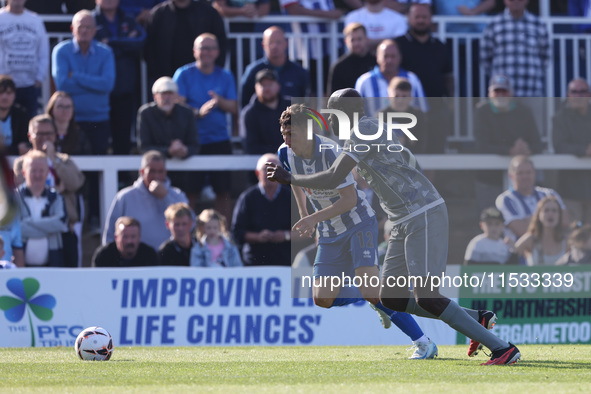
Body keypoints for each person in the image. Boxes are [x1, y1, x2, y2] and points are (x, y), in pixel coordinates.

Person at [267, 88, 521, 365]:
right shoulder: (364, 130)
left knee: (425, 296)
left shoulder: (362, 131)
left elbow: (333, 176)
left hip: (421, 212)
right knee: (391, 298)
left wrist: (291, 179)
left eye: (333, 112)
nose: (331, 119)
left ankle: (502, 349)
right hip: (402, 217)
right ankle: (476, 319)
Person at [278, 104, 438, 359]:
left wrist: (313, 219)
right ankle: (375, 301)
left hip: (357, 223)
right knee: (322, 298)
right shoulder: (285, 152)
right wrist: (304, 214)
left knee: (373, 291)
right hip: (330, 230)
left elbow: (349, 200)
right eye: (284, 134)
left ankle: (424, 342)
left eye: (292, 134)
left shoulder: (330, 152)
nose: (287, 140)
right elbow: (293, 182)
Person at [173, 33, 237, 220]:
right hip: (192, 141)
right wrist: (198, 113)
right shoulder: (183, 74)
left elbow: (233, 107)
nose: (206, 52)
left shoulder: (225, 76)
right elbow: (177, 105)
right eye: (202, 48)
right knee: (190, 192)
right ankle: (187, 233)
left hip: (219, 139)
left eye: (210, 48)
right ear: (194, 51)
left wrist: (219, 101)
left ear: (217, 52)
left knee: (223, 191)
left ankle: (224, 234)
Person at [13, 115, 85, 267]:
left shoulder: (64, 160)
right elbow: (24, 188)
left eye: (49, 134)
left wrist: (53, 159)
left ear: (55, 135)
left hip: (63, 231)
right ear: (30, 136)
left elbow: (75, 183)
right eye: (40, 134)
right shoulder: (21, 163)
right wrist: (57, 188)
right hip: (28, 235)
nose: (44, 138)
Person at [474, 74, 543, 213]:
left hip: (520, 182)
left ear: (511, 93)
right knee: (490, 221)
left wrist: (526, 149)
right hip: (488, 179)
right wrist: (509, 150)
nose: (500, 95)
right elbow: (480, 145)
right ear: (490, 93)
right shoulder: (482, 111)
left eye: (504, 91)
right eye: (496, 91)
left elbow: (538, 144)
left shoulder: (524, 111)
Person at [51, 9, 116, 155]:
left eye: (88, 27)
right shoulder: (61, 51)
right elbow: (63, 85)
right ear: (72, 29)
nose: (85, 30)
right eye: (81, 26)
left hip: (99, 121)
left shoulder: (106, 52)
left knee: (97, 170)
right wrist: (94, 86)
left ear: (95, 30)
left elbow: (107, 85)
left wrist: (76, 76)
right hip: (70, 122)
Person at [103, 150, 189, 250]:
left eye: (160, 171)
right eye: (152, 171)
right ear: (142, 172)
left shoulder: (177, 195)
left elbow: (191, 225)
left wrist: (165, 197)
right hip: (135, 261)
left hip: (169, 259)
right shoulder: (124, 197)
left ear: (165, 172)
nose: (156, 176)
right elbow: (110, 234)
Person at [94, 0, 146, 155]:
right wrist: (124, 45)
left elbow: (138, 43)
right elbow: (94, 48)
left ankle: (122, 178)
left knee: (122, 136)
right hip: (99, 90)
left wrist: (110, 42)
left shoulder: (128, 19)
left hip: (124, 86)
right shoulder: (91, 19)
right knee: (99, 136)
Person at [145, 0, 227, 84]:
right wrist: (158, 76)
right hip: (167, 81)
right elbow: (149, 49)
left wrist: (214, 73)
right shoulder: (158, 14)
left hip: (203, 80)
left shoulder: (209, 13)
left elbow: (221, 44)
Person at [232, 153, 292, 266]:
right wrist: (258, 237)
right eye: (266, 169)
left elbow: (307, 231)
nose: (270, 172)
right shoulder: (247, 198)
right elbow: (236, 232)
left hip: (286, 262)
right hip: (254, 263)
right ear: (257, 173)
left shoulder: (291, 197)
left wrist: (285, 235)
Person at [480, 0, 550, 97]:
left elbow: (545, 56)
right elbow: (485, 57)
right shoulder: (494, 24)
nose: (516, 1)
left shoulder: (538, 24)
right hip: (502, 94)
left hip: (531, 90)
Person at [496, 155, 568, 241]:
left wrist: (529, 220)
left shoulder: (549, 193)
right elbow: (521, 230)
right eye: (520, 173)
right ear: (511, 176)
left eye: (528, 172)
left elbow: (564, 222)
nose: (525, 177)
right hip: (523, 252)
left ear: (535, 173)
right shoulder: (505, 199)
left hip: (553, 249)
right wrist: (547, 220)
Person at [15, 151, 68, 267]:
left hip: (52, 267)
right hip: (20, 269)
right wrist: (48, 230)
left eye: (41, 171)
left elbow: (60, 223)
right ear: (24, 172)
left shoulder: (56, 197)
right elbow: (16, 228)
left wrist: (29, 223)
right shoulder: (14, 198)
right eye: (33, 171)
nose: (38, 175)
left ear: (47, 172)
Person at [0, 0, 49, 119]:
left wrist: (40, 77)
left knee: (30, 125)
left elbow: (43, 50)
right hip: (4, 87)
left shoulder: (35, 20)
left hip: (30, 85)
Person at [552, 78, 591, 225]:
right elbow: (559, 146)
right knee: (573, 237)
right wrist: (584, 150)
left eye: (583, 92)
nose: (579, 95)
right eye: (574, 92)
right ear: (568, 95)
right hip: (570, 190)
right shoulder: (559, 118)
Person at [240, 26, 309, 108]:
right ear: (263, 45)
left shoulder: (300, 72)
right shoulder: (253, 71)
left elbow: (306, 103)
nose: (274, 46)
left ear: (286, 44)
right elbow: (244, 103)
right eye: (270, 42)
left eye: (278, 42)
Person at [355, 39, 426, 116]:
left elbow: (423, 110)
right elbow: (356, 113)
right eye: (385, 56)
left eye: (393, 56)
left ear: (400, 57)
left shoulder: (412, 79)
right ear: (377, 57)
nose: (389, 60)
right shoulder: (364, 81)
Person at [137, 77, 199, 158]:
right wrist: (168, 151)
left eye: (170, 93)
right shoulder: (146, 113)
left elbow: (195, 146)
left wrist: (185, 150)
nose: (167, 98)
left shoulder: (187, 113)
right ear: (155, 96)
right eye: (163, 94)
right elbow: (144, 147)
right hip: (155, 167)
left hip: (184, 167)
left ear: (176, 95)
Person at [240, 69, 290, 155]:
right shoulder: (249, 113)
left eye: (270, 84)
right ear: (256, 87)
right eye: (262, 85)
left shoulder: (292, 107)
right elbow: (251, 146)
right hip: (263, 162)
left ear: (278, 86)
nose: (266, 88)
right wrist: (277, 154)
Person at [378, 77, 427, 153]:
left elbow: (423, 144)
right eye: (396, 96)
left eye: (404, 96)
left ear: (411, 98)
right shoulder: (381, 116)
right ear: (389, 97)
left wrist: (406, 142)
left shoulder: (418, 116)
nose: (400, 100)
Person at [514, 196, 567, 266]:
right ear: (539, 215)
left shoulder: (566, 241)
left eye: (554, 211)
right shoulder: (530, 239)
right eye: (546, 210)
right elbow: (509, 260)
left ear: (559, 215)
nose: (550, 214)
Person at [326, 23, 376, 94]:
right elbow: (333, 98)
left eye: (359, 39)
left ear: (366, 39)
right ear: (346, 41)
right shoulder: (339, 67)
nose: (356, 43)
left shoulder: (377, 63)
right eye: (353, 40)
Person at [93, 216, 158, 267]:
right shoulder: (103, 256)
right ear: (116, 237)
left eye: (133, 236)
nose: (129, 241)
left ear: (139, 237)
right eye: (125, 237)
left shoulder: (149, 255)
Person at [0, 75, 29, 155]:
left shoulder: (22, 115)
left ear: (14, 95)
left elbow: (24, 147)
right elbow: (19, 149)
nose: (4, 96)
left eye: (9, 93)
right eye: (1, 92)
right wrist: (15, 150)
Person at [158, 202, 194, 266]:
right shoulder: (165, 252)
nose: (180, 228)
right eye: (177, 224)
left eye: (184, 224)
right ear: (168, 225)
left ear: (191, 223)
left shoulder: (201, 246)